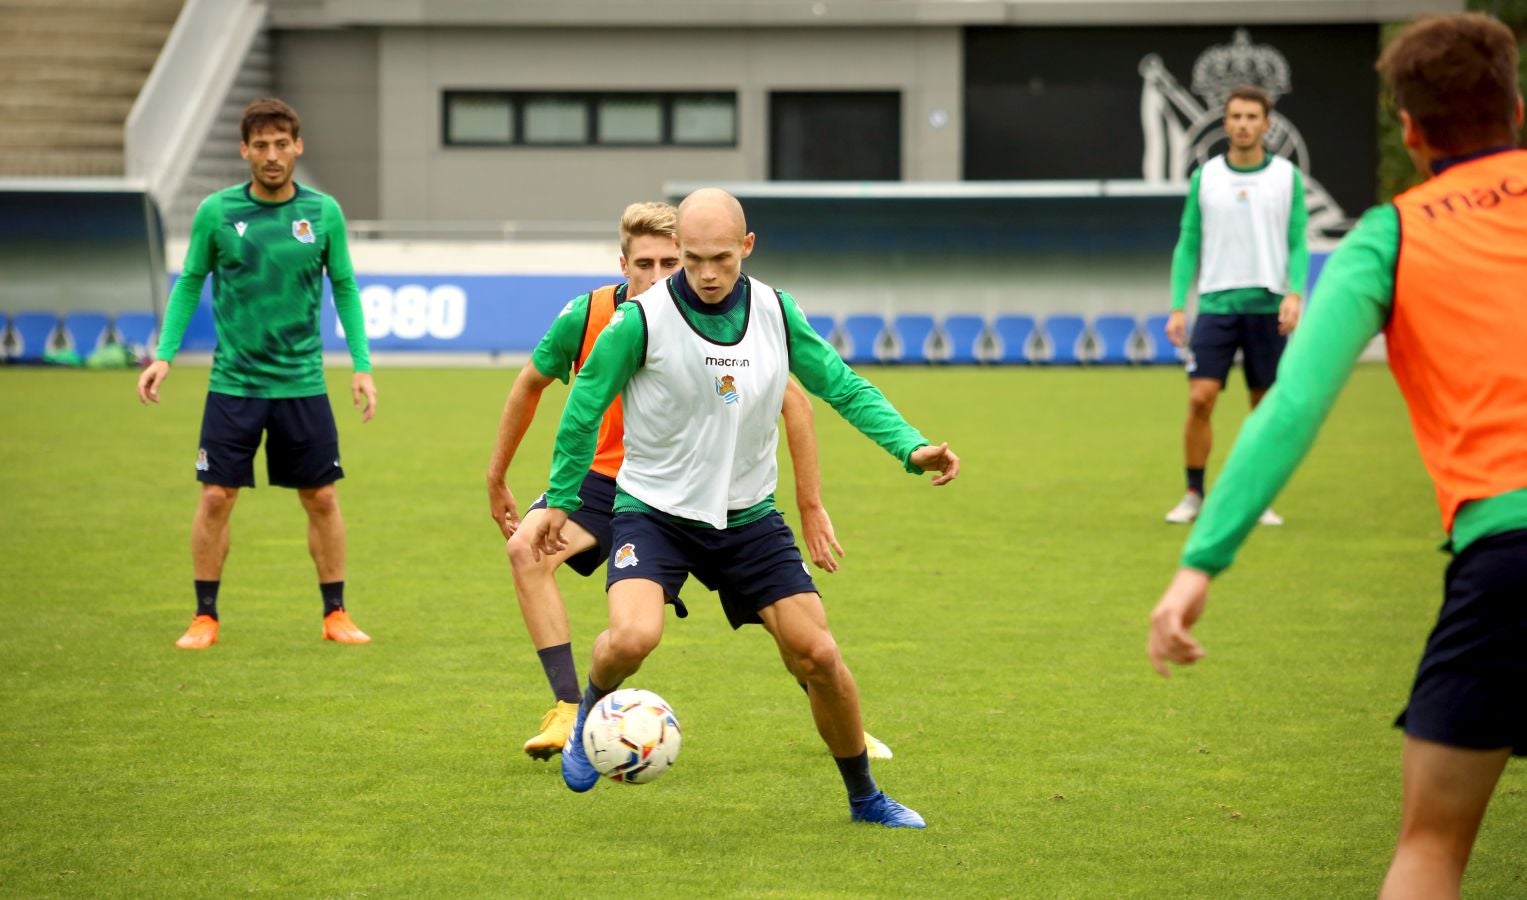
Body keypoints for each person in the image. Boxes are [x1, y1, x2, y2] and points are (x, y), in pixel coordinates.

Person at [1148, 13, 1525, 898]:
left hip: (1507, 556)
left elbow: (1292, 408)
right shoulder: (1225, 186)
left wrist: (1201, 561)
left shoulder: (1388, 238)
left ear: (1408, 126)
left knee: (1430, 849)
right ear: (1514, 103)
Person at [530, 188, 959, 828]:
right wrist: (561, 501)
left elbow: (840, 385)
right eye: (694, 258)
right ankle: (592, 704)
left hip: (749, 518)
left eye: (722, 259)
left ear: (747, 248)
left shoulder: (776, 313)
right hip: (654, 513)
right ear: (679, 251)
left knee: (818, 654)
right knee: (632, 638)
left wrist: (911, 447)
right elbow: (584, 403)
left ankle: (866, 798)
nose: (706, 274)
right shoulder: (640, 321)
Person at [487, 201, 892, 761]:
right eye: (644, 264)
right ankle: (569, 709)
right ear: (622, 263)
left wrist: (810, 503)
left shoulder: (736, 314)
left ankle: (836, 712)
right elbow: (532, 386)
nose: (660, 276)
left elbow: (798, 402)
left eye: (668, 263)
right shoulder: (592, 317)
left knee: (802, 636)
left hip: (716, 487)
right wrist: (498, 475)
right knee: (526, 551)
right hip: (612, 481)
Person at [137, 97, 376, 649]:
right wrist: (165, 354)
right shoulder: (217, 213)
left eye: (281, 144)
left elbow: (344, 287)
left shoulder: (324, 213)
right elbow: (190, 281)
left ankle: (335, 613)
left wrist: (361, 366)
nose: (272, 156)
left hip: (302, 384)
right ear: (245, 150)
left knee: (321, 498)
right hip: (234, 383)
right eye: (261, 146)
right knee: (216, 497)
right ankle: (204, 616)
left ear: (297, 147)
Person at [1163, 84, 1310, 526]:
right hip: (1216, 304)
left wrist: (1295, 291)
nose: (1244, 124)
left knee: (1263, 409)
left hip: (1267, 307)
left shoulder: (1287, 176)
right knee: (1200, 399)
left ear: (1266, 124)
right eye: (1236, 116)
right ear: (1225, 123)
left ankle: (1257, 497)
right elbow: (1188, 241)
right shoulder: (1204, 177)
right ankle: (1193, 493)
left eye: (1252, 117)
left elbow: (1298, 240)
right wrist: (1176, 305)